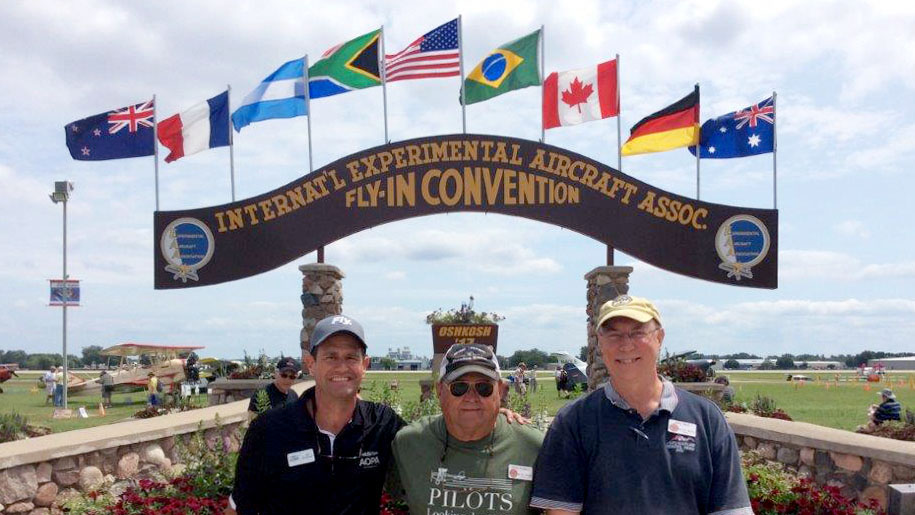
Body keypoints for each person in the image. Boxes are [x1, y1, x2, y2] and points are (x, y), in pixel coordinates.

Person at [531, 295, 752, 514]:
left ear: (660, 337)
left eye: (637, 332)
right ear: (600, 342)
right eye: (614, 334)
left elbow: (731, 510)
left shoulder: (706, 419)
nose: (626, 345)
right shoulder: (573, 422)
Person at [230, 314, 405, 514]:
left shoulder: (382, 423)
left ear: (364, 365)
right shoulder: (269, 429)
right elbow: (237, 509)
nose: (341, 366)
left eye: (351, 357)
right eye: (331, 357)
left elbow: (432, 446)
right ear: (311, 364)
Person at [391, 343, 544, 515]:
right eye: (459, 387)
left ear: (500, 391)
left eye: (484, 387)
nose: (471, 397)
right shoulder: (408, 442)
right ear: (440, 390)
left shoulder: (534, 447)